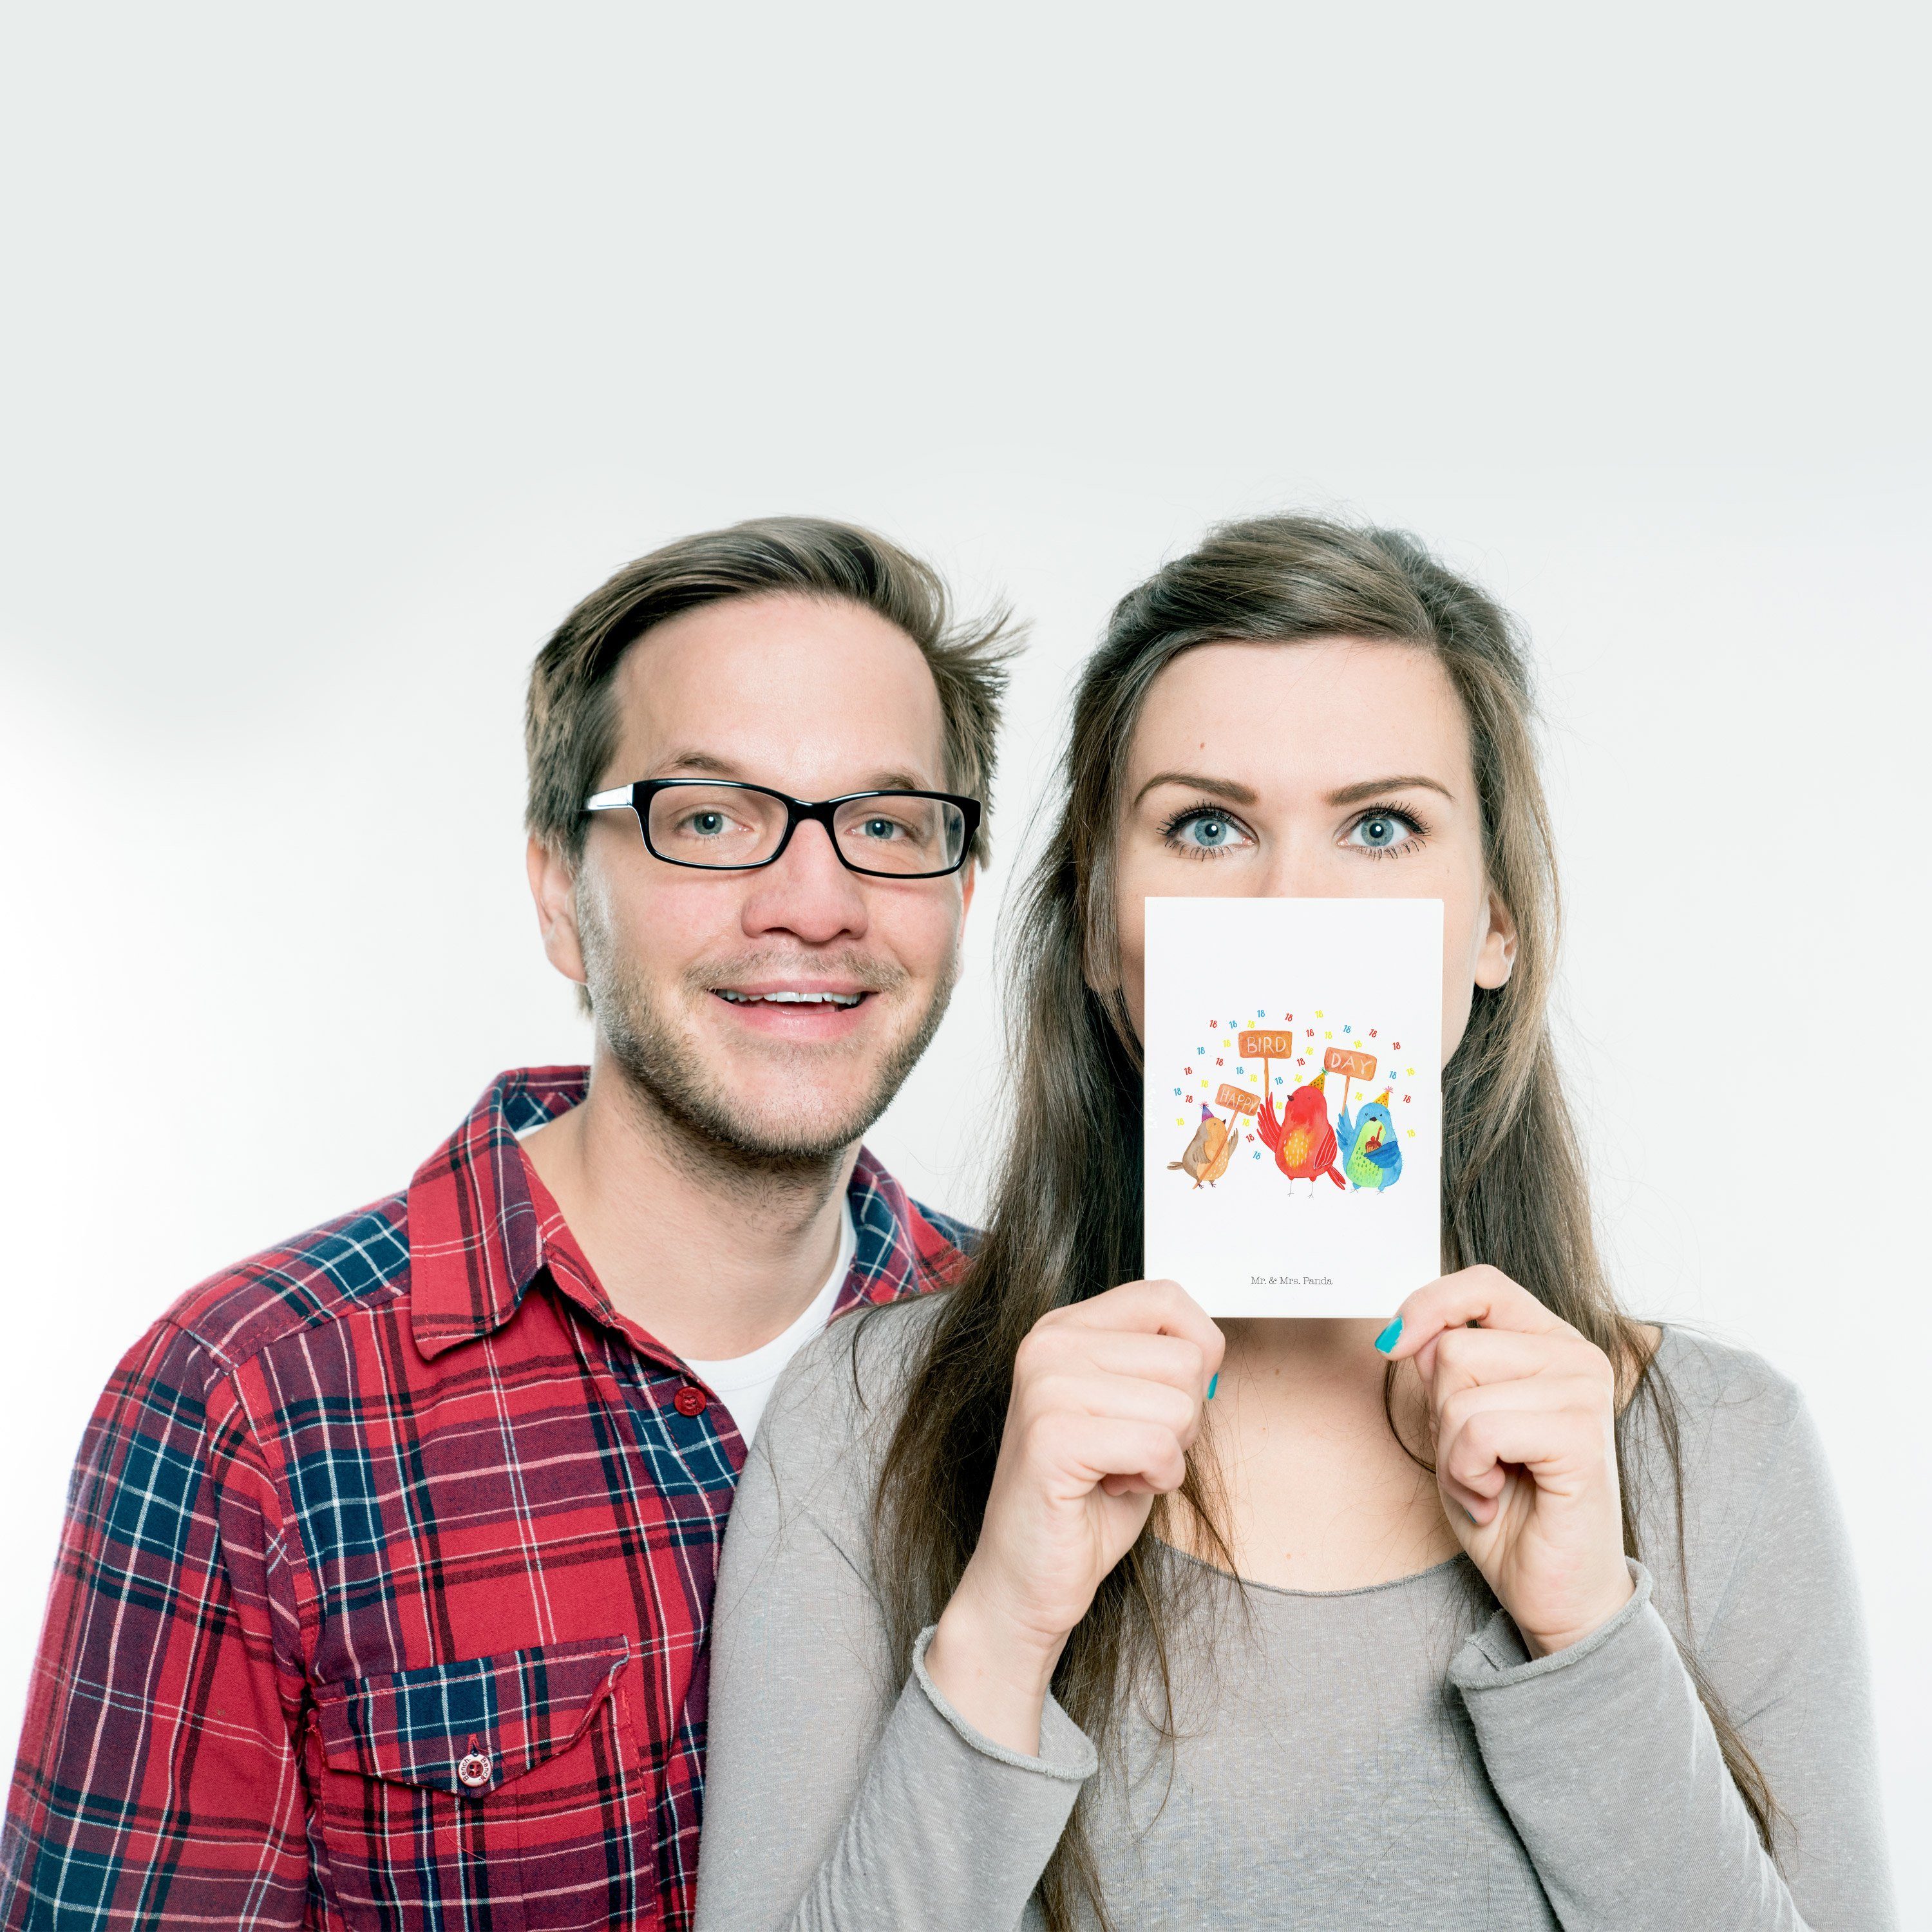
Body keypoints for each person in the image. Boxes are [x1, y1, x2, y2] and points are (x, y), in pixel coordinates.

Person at [694, 515, 1896, 1930]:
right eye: (1208, 827)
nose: (1293, 907)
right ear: (1098, 927)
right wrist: (1002, 1626)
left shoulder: (1721, 1451)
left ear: (1494, 924)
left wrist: (1586, 1636)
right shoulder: (865, 1423)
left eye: (1382, 827)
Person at [0, 517, 1013, 1930]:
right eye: (710, 820)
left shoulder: (1032, 1350)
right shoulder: (246, 1404)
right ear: (559, 894)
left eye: (889, 827)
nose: (816, 903)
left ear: (960, 894)